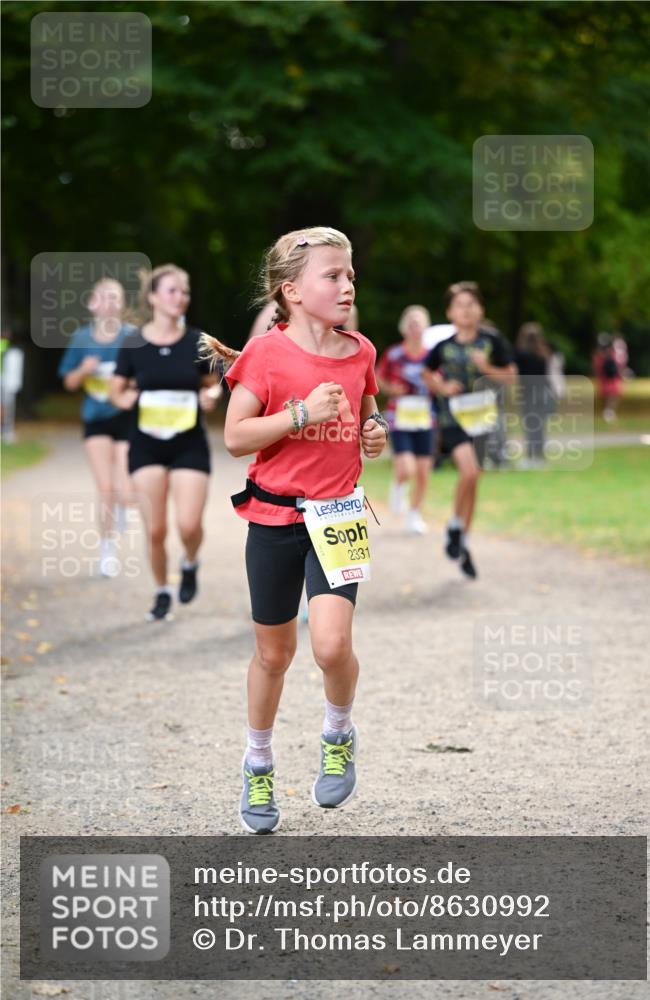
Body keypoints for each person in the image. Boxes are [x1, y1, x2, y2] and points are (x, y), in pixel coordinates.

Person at [201, 226, 387, 834]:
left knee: (331, 646)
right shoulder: (265, 354)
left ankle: (338, 732)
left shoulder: (360, 350)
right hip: (275, 518)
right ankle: (258, 763)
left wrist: (375, 432)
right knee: (274, 654)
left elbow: (369, 414)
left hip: (339, 516)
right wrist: (301, 413)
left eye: (350, 274)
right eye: (332, 275)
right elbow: (236, 437)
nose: (347, 285)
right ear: (292, 291)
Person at [110, 264, 222, 621]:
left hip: (189, 443)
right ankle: (161, 591)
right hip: (147, 444)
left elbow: (214, 384)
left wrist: (211, 396)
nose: (180, 297)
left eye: (184, 291)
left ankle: (190, 561)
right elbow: (116, 390)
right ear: (153, 297)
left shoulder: (196, 341)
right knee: (155, 529)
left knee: (189, 525)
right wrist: (127, 399)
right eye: (172, 290)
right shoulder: (134, 343)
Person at [422, 281, 516, 579]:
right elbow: (426, 372)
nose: (466, 310)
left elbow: (511, 376)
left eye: (471, 304)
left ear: (481, 310)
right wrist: (442, 386)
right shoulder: (443, 346)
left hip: (483, 417)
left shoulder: (492, 341)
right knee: (470, 472)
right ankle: (454, 525)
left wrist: (487, 368)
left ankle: (462, 540)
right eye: (459, 305)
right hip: (453, 417)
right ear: (450, 312)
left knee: (474, 479)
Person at [58, 279, 136, 576]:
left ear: (122, 303)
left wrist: (130, 386)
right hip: (96, 419)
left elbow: (145, 375)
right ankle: (107, 550)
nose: (109, 302)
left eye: (114, 297)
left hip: (126, 417)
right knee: (106, 488)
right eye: (103, 297)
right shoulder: (81, 338)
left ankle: (122, 506)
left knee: (125, 490)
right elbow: (68, 383)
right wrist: (83, 370)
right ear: (92, 304)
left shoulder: (132, 337)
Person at [376, 305, 434, 533]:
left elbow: (440, 380)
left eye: (419, 323)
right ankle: (398, 486)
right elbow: (378, 378)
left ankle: (414, 515)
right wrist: (391, 389)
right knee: (407, 468)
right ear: (404, 328)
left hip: (425, 416)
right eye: (411, 323)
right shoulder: (394, 354)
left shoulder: (432, 355)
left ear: (425, 327)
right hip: (399, 415)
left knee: (423, 471)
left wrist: (434, 383)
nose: (415, 328)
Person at [515, 322, 552, 467]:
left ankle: (532, 456)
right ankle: (538, 455)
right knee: (539, 426)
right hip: (542, 392)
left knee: (531, 425)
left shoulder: (521, 354)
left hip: (528, 393)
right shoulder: (543, 354)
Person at [593, 333, 625, 422]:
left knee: (613, 394)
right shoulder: (600, 356)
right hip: (606, 379)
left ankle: (609, 412)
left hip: (611, 379)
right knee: (610, 394)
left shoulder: (611, 354)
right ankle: (608, 412)